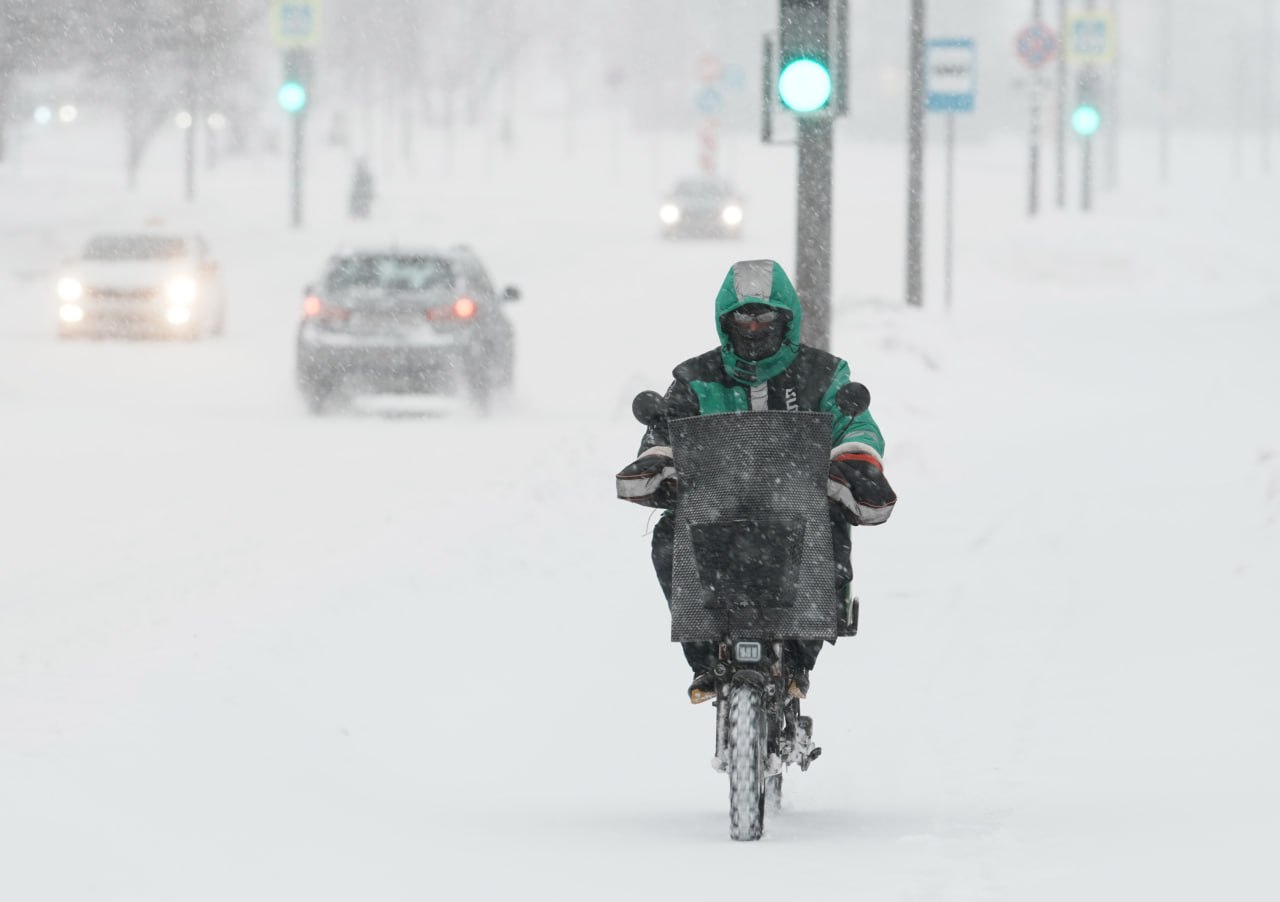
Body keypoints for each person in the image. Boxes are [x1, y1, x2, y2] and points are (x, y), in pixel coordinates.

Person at [616, 259, 897, 704]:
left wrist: (855, 460)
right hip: (717, 510)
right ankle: (706, 662)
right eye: (741, 317)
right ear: (724, 321)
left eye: (764, 315)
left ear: (786, 318)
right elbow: (663, 433)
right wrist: (658, 463)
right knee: (668, 538)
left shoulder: (824, 374)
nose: (752, 326)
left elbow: (857, 425)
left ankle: (800, 663)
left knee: (831, 532)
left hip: (800, 506)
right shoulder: (694, 378)